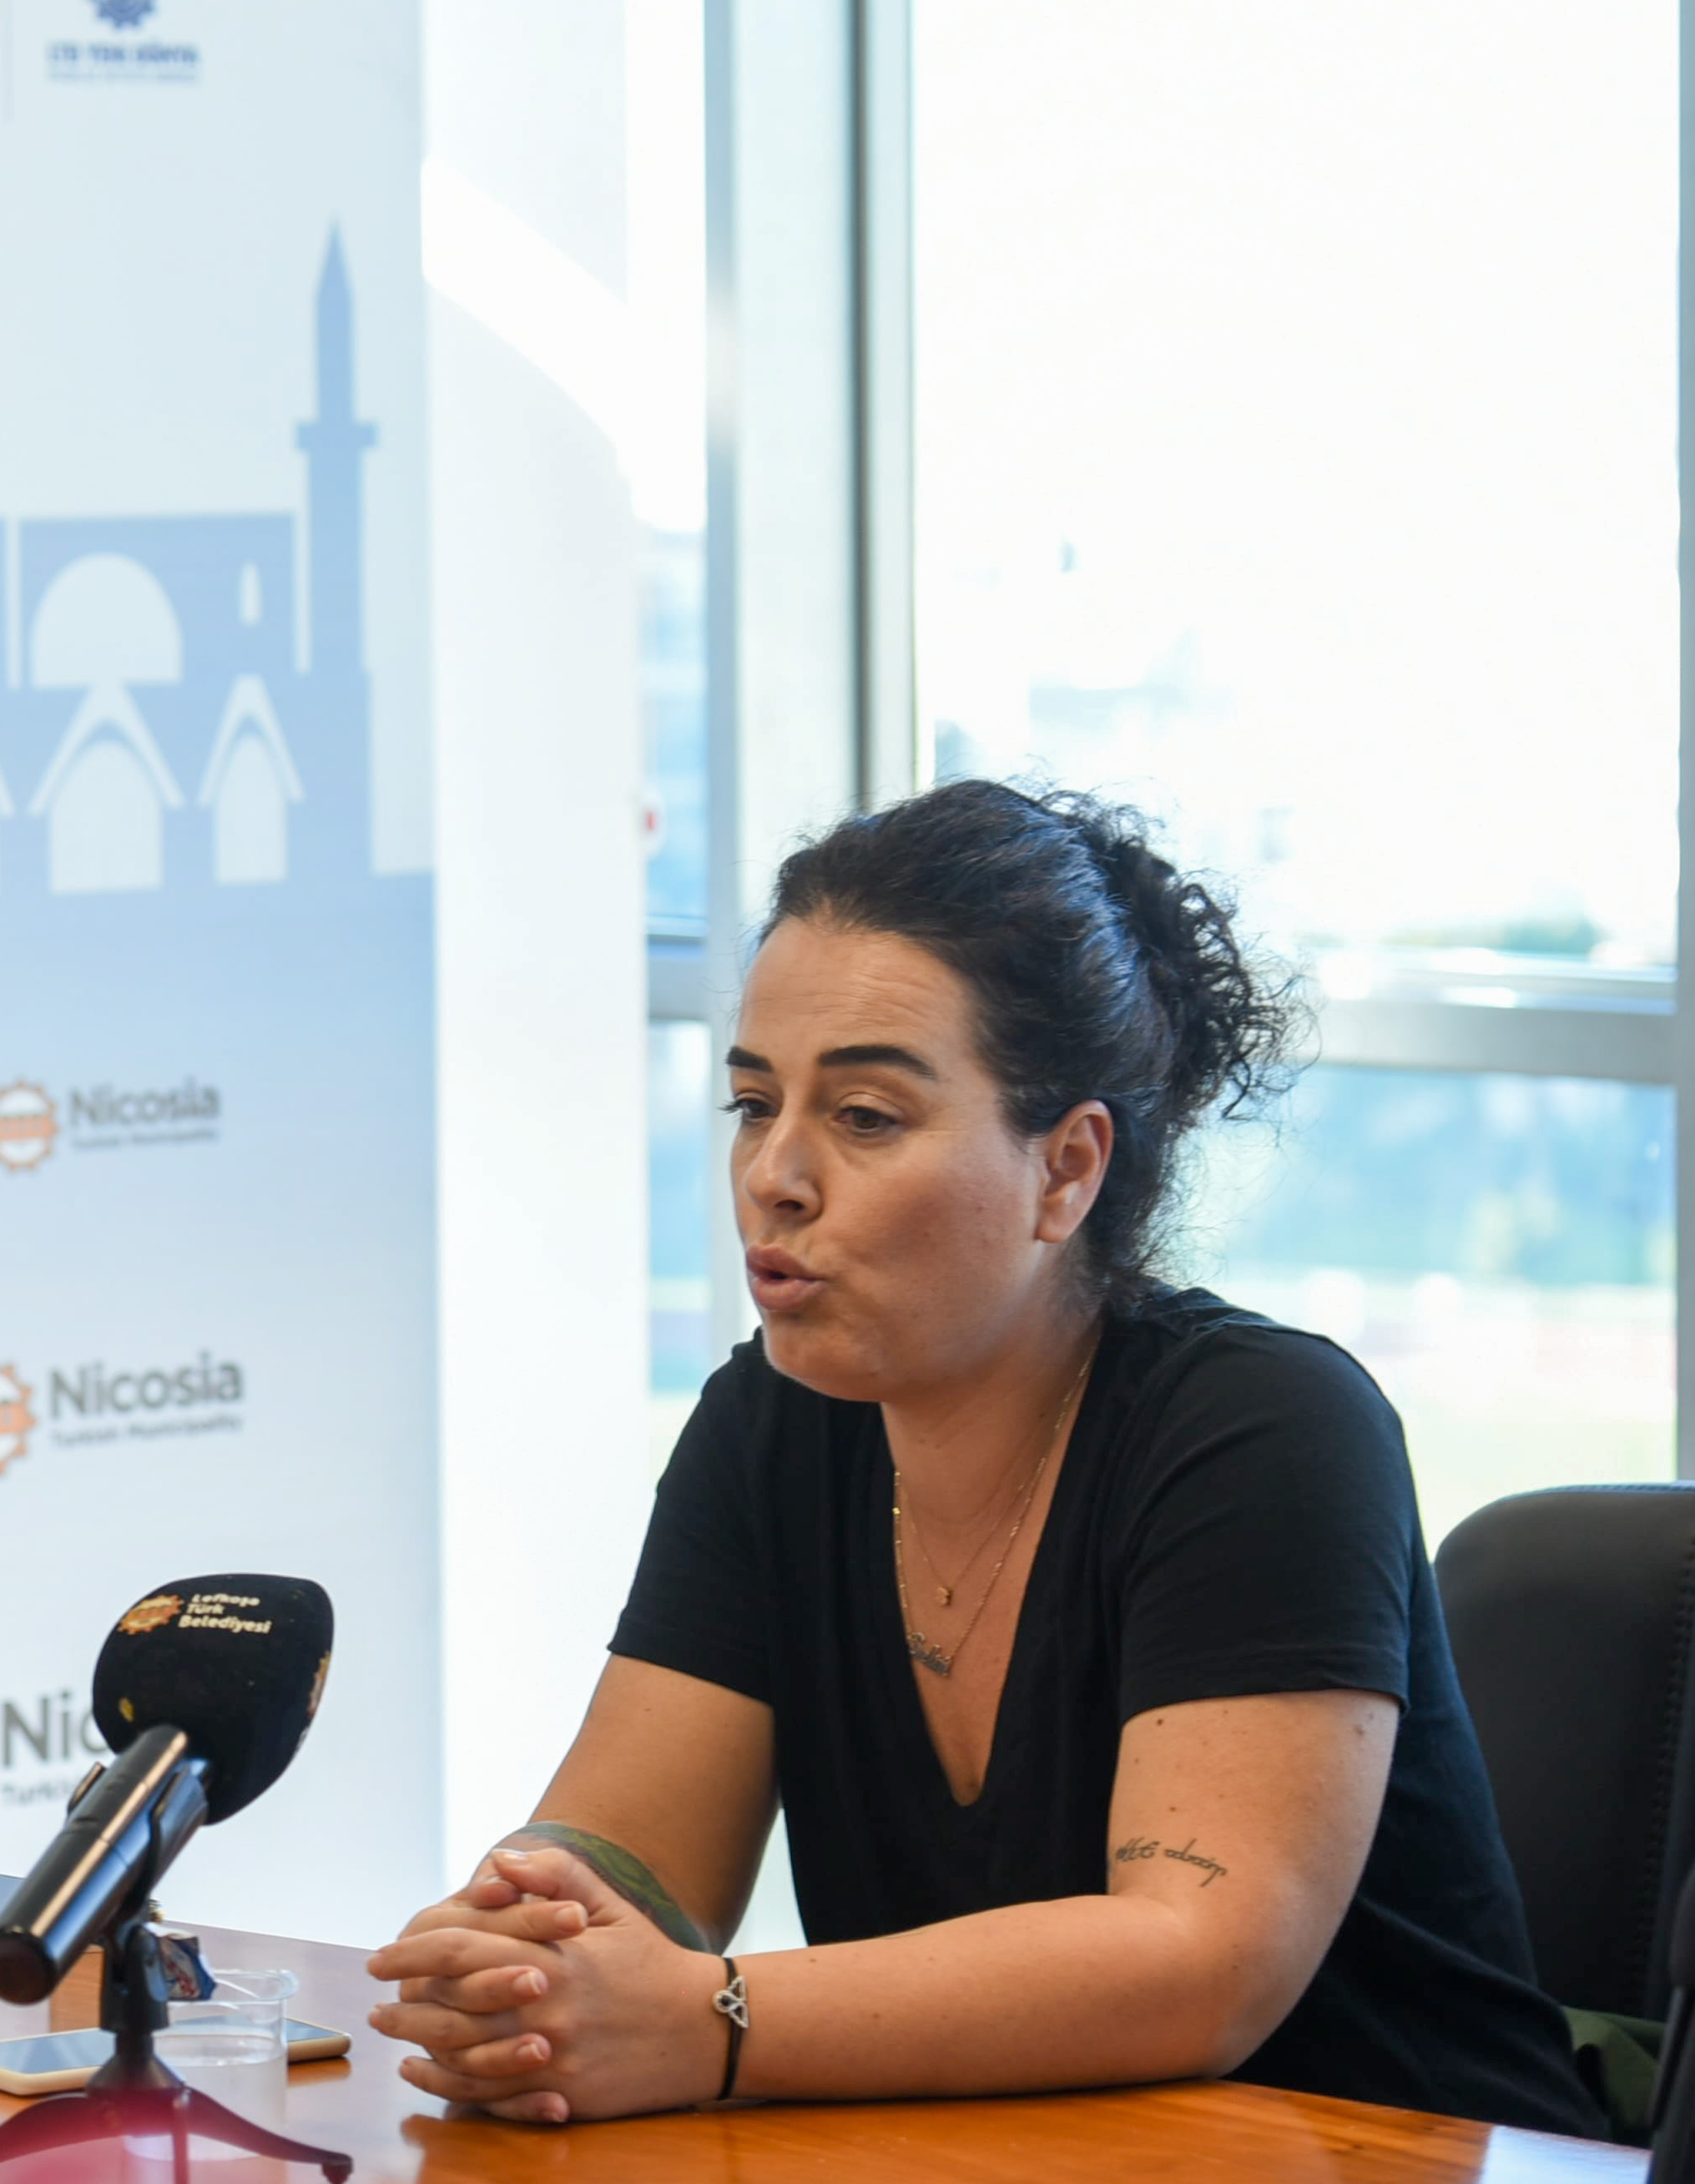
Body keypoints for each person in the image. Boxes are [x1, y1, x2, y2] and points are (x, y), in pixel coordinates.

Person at [368, 780, 1596, 2134]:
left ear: (1066, 1169)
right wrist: (524, 1948)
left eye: (865, 1117)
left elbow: (1199, 1965)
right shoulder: (771, 1423)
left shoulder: (1268, 1428)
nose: (774, 1175)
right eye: (754, 1104)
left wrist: (709, 2020)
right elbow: (627, 1860)